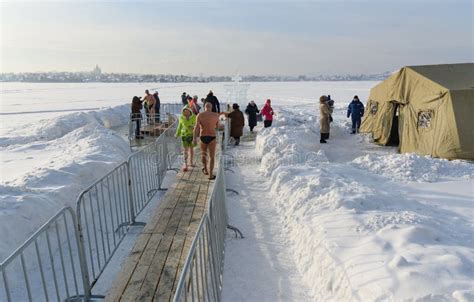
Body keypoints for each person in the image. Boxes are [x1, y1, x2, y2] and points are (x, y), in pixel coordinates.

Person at [193, 102, 220, 180]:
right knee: (212, 157)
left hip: (203, 136)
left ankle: (205, 169)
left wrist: (194, 138)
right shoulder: (216, 115)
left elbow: (196, 128)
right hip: (212, 136)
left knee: (204, 154)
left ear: (204, 107)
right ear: (211, 107)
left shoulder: (200, 115)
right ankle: (211, 175)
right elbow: (218, 127)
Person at [176, 107, 196, 172]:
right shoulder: (181, 117)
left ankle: (191, 162)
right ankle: (185, 164)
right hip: (184, 135)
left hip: (191, 135)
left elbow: (197, 125)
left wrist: (193, 127)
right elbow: (179, 126)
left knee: (191, 150)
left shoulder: (194, 117)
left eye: (187, 111)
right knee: (185, 150)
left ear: (190, 111)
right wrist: (177, 134)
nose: (186, 112)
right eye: (184, 111)